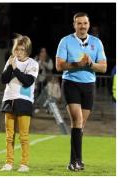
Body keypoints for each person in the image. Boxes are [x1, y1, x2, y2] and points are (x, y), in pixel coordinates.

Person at [55, 12, 107, 171]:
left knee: (81, 125)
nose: (82, 26)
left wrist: (90, 63)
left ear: (89, 25)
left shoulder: (96, 42)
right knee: (76, 120)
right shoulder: (65, 41)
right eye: (79, 23)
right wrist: (78, 64)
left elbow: (103, 67)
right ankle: (76, 161)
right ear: (74, 25)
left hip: (89, 86)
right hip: (71, 83)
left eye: (85, 23)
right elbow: (59, 66)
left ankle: (75, 161)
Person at [0, 34, 38, 172]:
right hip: (9, 99)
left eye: (21, 49)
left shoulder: (33, 63)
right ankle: (9, 163)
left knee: (24, 136)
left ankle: (24, 164)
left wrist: (15, 68)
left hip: (24, 101)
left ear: (27, 50)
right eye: (17, 49)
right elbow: (3, 79)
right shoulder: (11, 61)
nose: (19, 52)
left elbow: (28, 81)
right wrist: (10, 66)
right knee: (9, 136)